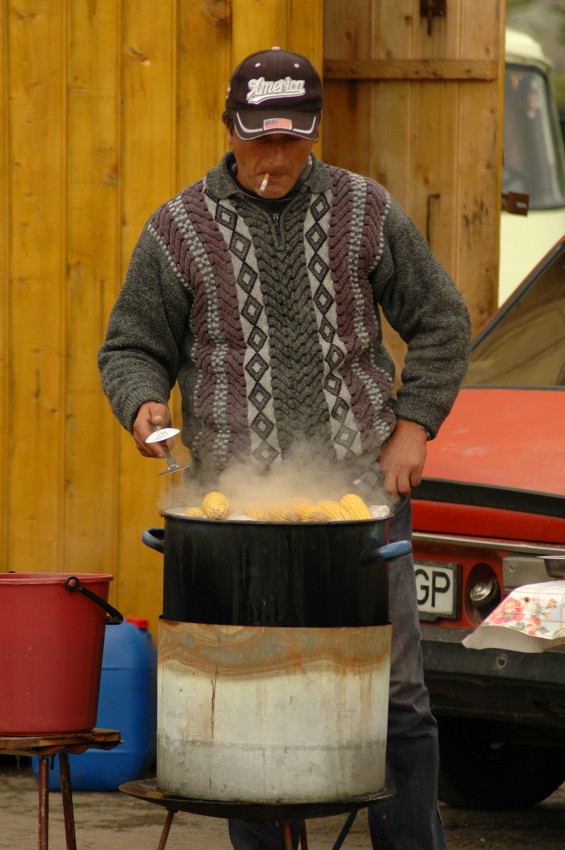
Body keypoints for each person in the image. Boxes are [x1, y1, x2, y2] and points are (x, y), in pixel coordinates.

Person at [99, 46, 471, 850]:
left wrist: (414, 425)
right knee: (246, 699)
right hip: (233, 514)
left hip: (361, 502)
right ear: (229, 128)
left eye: (291, 139)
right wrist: (141, 406)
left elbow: (442, 319)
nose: (275, 156)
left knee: (397, 701)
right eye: (259, 139)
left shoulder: (364, 211)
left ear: (312, 130)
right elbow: (130, 347)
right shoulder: (178, 229)